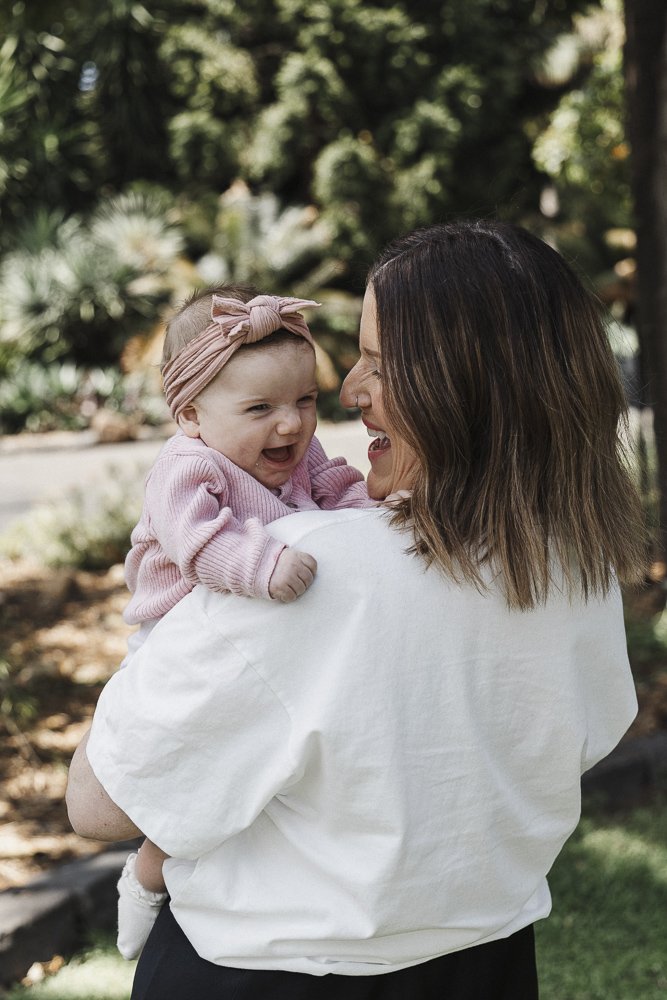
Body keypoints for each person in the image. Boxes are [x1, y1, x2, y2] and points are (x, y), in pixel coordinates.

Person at [67, 220, 645, 1000]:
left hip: (271, 976)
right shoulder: (574, 565)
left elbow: (102, 801)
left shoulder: (308, 571)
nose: (346, 391)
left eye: (380, 361)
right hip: (485, 967)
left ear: (463, 386)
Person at [116, 285, 370, 960]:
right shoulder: (187, 466)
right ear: (191, 413)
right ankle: (146, 876)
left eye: (306, 400)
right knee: (192, 784)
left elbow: (335, 488)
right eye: (260, 408)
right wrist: (261, 567)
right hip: (170, 639)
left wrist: (381, 513)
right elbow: (195, 542)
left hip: (245, 641)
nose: (291, 425)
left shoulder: (296, 452)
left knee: (253, 782)